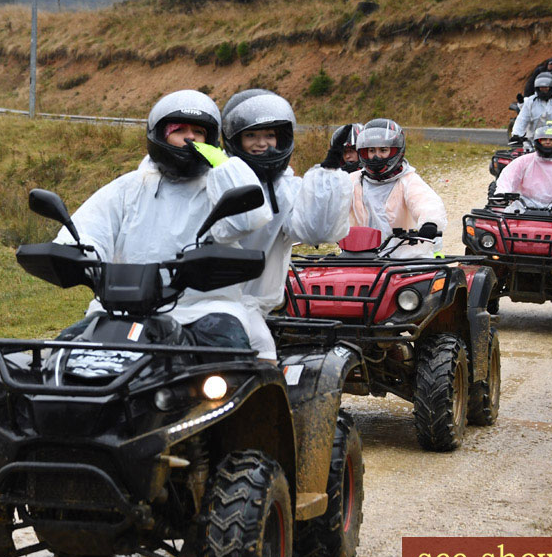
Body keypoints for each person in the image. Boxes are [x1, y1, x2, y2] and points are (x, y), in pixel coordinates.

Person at [53, 89, 269, 349]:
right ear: (160, 134)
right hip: (121, 308)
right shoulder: (129, 187)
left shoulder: (218, 186)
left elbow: (247, 220)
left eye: (199, 132)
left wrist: (225, 165)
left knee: (231, 357)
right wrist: (74, 252)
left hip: (203, 309)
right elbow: (88, 230)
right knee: (60, 355)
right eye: (181, 130)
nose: (191, 137)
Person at [222, 92, 352, 360]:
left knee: (264, 358)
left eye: (269, 135)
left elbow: (316, 231)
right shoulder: (218, 178)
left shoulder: (286, 188)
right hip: (204, 300)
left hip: (250, 306)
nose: (262, 144)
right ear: (236, 139)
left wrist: (328, 172)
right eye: (251, 136)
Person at [347, 118, 447, 259]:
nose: (376, 156)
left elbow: (426, 202)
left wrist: (429, 223)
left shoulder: (408, 180)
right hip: (359, 256)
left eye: (383, 150)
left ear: (395, 151)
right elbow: (332, 205)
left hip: (404, 258)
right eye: (371, 150)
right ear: (363, 152)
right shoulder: (353, 181)